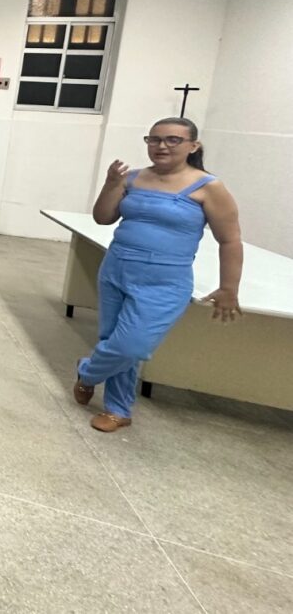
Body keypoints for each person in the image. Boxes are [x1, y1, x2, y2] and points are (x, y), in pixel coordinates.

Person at [74, 117, 243, 433]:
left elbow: (230, 239)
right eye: (154, 139)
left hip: (165, 280)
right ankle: (117, 409)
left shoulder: (209, 187)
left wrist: (228, 287)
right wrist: (111, 183)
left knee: (132, 346)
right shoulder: (133, 178)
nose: (161, 146)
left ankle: (87, 372)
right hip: (117, 267)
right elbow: (102, 218)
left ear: (193, 146)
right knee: (113, 339)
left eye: (173, 140)